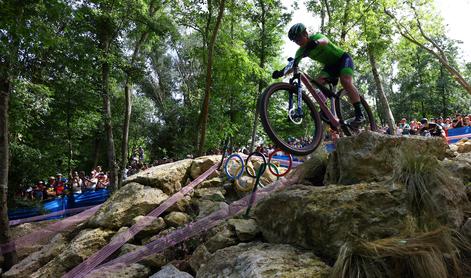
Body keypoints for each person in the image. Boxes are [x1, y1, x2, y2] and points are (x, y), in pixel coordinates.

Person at [274, 23, 364, 126]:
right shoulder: (300, 51)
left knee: (345, 81)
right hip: (330, 67)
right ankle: (324, 108)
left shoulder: (316, 37)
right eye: (295, 40)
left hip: (343, 59)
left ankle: (360, 114)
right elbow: (293, 65)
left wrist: (316, 43)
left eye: (298, 37)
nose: (297, 41)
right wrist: (281, 73)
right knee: (316, 83)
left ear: (305, 33)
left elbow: (325, 41)